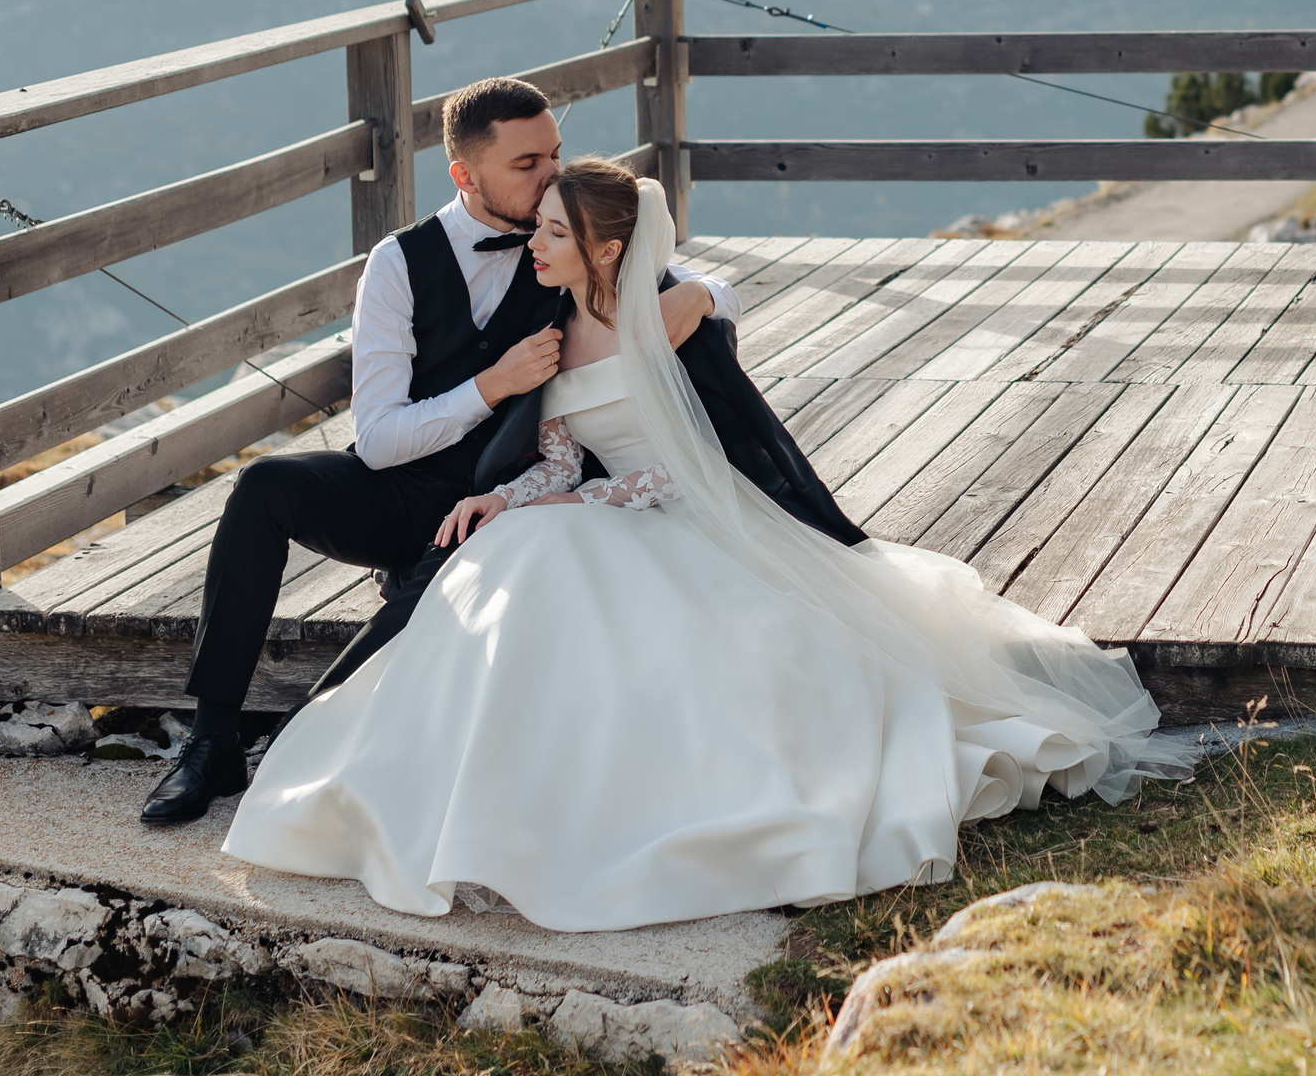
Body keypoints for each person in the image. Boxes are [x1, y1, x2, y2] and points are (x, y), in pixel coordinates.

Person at [223, 160, 1194, 930]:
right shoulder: (554, 329)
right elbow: (559, 461)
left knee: (587, 580)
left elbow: (690, 463)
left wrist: (591, 500)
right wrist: (507, 500)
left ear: (605, 246)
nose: (537, 248)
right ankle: (466, 810)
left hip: (682, 515)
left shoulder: (669, 321)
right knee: (503, 558)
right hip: (593, 507)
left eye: (557, 234)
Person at [140, 78, 742, 825]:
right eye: (527, 163)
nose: (551, 174)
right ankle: (210, 739)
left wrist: (704, 295)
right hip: (402, 494)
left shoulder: (563, 236)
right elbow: (379, 439)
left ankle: (310, 743)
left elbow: (668, 265)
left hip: (512, 505)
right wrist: (488, 387)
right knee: (263, 486)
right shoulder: (398, 265)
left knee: (410, 620)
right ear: (465, 175)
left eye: (554, 153)